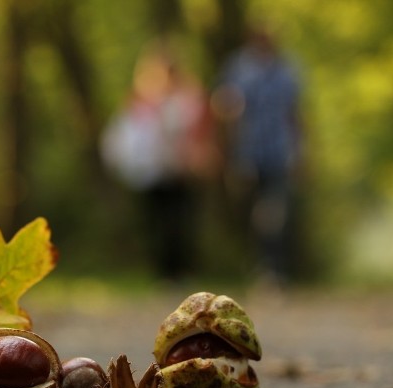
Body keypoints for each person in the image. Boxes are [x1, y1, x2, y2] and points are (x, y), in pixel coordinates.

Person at [101, 40, 216, 280]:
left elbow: (199, 132)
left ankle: (182, 270)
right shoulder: (142, 101)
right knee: (158, 222)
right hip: (152, 172)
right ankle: (164, 271)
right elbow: (126, 135)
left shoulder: (188, 98)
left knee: (181, 221)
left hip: (181, 171)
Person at [214, 26, 303, 285]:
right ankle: (257, 266)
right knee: (251, 213)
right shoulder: (238, 68)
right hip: (247, 153)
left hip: (279, 152)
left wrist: (301, 152)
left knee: (274, 213)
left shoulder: (287, 69)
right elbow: (222, 107)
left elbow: (295, 112)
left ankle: (273, 270)